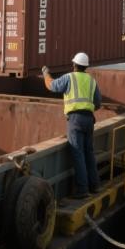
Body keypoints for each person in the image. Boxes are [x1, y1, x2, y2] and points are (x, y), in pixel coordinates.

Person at [42, 53, 101, 198]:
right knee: (89, 152)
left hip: (75, 120)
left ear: (74, 65)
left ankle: (83, 190)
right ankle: (95, 186)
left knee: (78, 153)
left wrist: (45, 74)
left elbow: (52, 86)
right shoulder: (92, 81)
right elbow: (98, 103)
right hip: (89, 119)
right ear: (86, 66)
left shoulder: (69, 77)